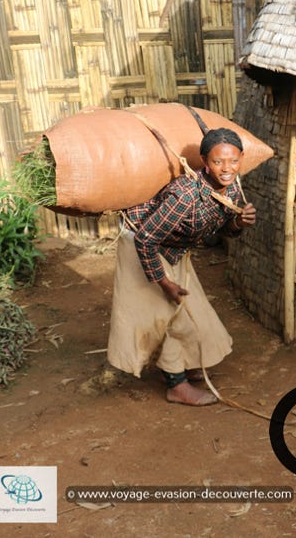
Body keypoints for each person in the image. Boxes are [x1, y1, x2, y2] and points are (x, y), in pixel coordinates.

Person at [107, 127, 256, 406]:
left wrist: (238, 222)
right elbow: (146, 238)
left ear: (241, 159)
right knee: (174, 314)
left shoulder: (234, 187)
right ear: (204, 162)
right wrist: (165, 282)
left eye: (233, 161)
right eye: (217, 162)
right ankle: (176, 384)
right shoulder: (184, 196)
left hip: (175, 248)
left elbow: (222, 228)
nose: (227, 168)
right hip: (141, 242)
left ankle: (180, 365)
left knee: (194, 309)